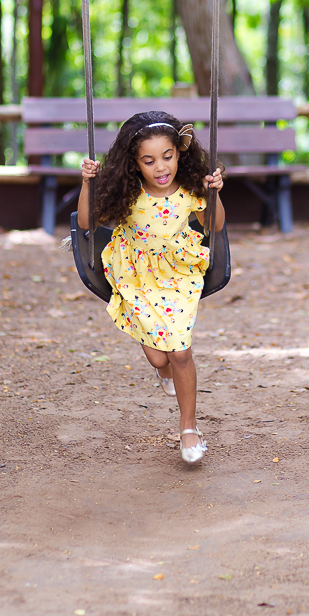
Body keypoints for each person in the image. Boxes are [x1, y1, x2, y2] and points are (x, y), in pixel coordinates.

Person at [77, 111, 225, 464]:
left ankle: (188, 428)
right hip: (135, 276)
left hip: (178, 273)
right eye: (149, 160)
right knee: (161, 357)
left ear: (179, 153)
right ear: (134, 163)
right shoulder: (127, 192)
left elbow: (216, 226)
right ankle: (162, 370)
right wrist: (87, 183)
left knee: (180, 352)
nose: (161, 167)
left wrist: (214, 193)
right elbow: (85, 222)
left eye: (168, 156)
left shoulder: (190, 189)